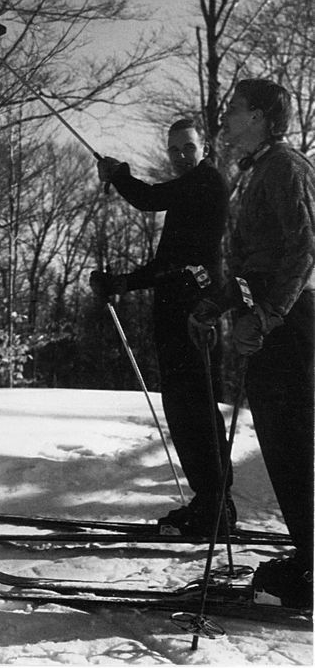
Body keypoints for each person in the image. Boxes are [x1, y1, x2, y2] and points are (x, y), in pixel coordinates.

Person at [188, 79, 315, 609]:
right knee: (281, 445)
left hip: (292, 321)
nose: (225, 116)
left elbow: (305, 247)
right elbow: (248, 261)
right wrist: (215, 305)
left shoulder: (286, 167)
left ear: (261, 117)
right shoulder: (257, 171)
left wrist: (266, 315)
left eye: (235, 109)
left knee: (294, 444)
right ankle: (308, 557)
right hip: (269, 319)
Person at [90, 118, 232, 535]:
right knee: (183, 411)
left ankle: (217, 508)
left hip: (195, 312)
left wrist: (119, 175)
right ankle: (210, 502)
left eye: (188, 147)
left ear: (203, 147)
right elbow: (165, 265)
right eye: (174, 150)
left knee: (197, 411)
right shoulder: (189, 194)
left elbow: (148, 199)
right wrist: (122, 283)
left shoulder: (206, 182)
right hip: (173, 309)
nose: (181, 157)